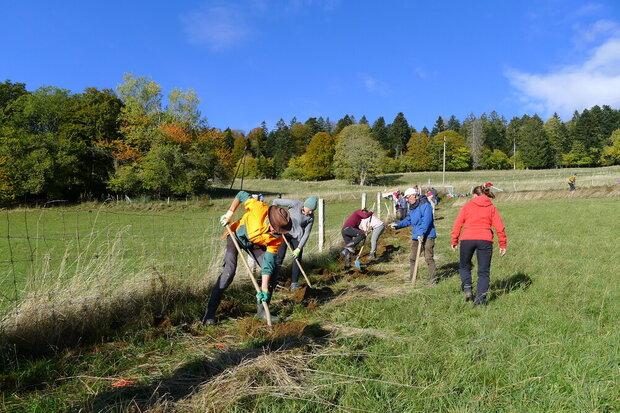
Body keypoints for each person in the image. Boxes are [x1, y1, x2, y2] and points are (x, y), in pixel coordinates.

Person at [202, 190, 292, 325]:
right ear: (271, 220)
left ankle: (262, 311)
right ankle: (209, 314)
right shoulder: (258, 208)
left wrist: (265, 289)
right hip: (236, 237)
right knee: (229, 273)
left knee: (272, 271)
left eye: (280, 231)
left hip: (255, 244)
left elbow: (267, 264)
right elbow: (241, 194)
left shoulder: (276, 238)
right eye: (275, 228)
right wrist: (230, 213)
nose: (276, 232)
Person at [451, 185, 507, 306]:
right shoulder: (491, 207)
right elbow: (499, 227)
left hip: (467, 239)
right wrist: (502, 244)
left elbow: (458, 224)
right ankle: (480, 301)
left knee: (464, 266)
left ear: (475, 195)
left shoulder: (467, 206)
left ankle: (467, 287)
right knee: (484, 272)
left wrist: (454, 241)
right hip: (485, 240)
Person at [390, 187, 437, 284]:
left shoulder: (425, 205)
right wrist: (398, 225)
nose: (406, 200)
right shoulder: (412, 207)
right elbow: (409, 219)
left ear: (414, 196)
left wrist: (422, 233)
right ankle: (412, 277)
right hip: (416, 236)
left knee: (428, 257)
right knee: (413, 258)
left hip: (428, 235)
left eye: (407, 197)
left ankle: (433, 279)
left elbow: (427, 220)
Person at [272, 196, 317, 290]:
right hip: (284, 232)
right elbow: (275, 202)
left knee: (297, 258)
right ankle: (272, 281)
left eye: (313, 210)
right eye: (310, 210)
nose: (311, 212)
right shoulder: (295, 204)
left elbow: (306, 234)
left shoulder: (311, 217)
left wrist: (299, 248)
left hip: (297, 237)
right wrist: (274, 217)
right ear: (305, 205)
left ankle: (294, 283)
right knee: (279, 257)